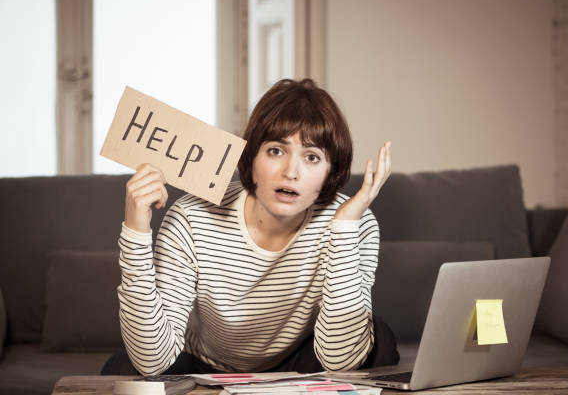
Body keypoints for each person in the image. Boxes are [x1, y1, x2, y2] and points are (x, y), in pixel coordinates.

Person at [102, 78, 398, 376]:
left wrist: (345, 229)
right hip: (199, 362)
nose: (291, 172)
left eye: (311, 157)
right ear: (252, 158)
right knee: (127, 370)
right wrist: (136, 230)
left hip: (296, 361)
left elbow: (342, 362)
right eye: (275, 151)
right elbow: (152, 360)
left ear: (330, 172)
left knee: (377, 340)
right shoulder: (190, 218)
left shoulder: (353, 222)